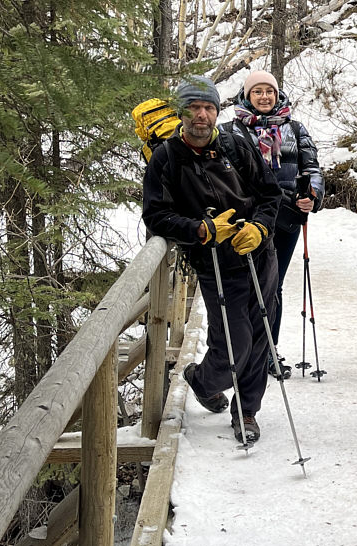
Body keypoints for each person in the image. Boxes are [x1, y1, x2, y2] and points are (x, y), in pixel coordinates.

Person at [142, 75, 282, 444]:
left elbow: (269, 194)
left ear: (217, 112)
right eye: (193, 107)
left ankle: (246, 411)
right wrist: (201, 230)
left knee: (260, 334)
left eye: (208, 108)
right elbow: (155, 216)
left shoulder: (236, 145)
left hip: (258, 255)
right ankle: (202, 381)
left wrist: (261, 228)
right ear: (181, 112)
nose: (201, 115)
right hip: (216, 264)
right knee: (235, 345)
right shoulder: (167, 158)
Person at [223, 70, 325, 379]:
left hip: (285, 218)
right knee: (245, 285)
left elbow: (312, 168)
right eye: (257, 91)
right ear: (247, 96)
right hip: (246, 220)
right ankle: (241, 350)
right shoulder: (231, 131)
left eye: (269, 91)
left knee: (272, 285)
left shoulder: (294, 128)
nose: (264, 96)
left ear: (277, 94)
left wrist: (312, 195)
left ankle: (267, 349)